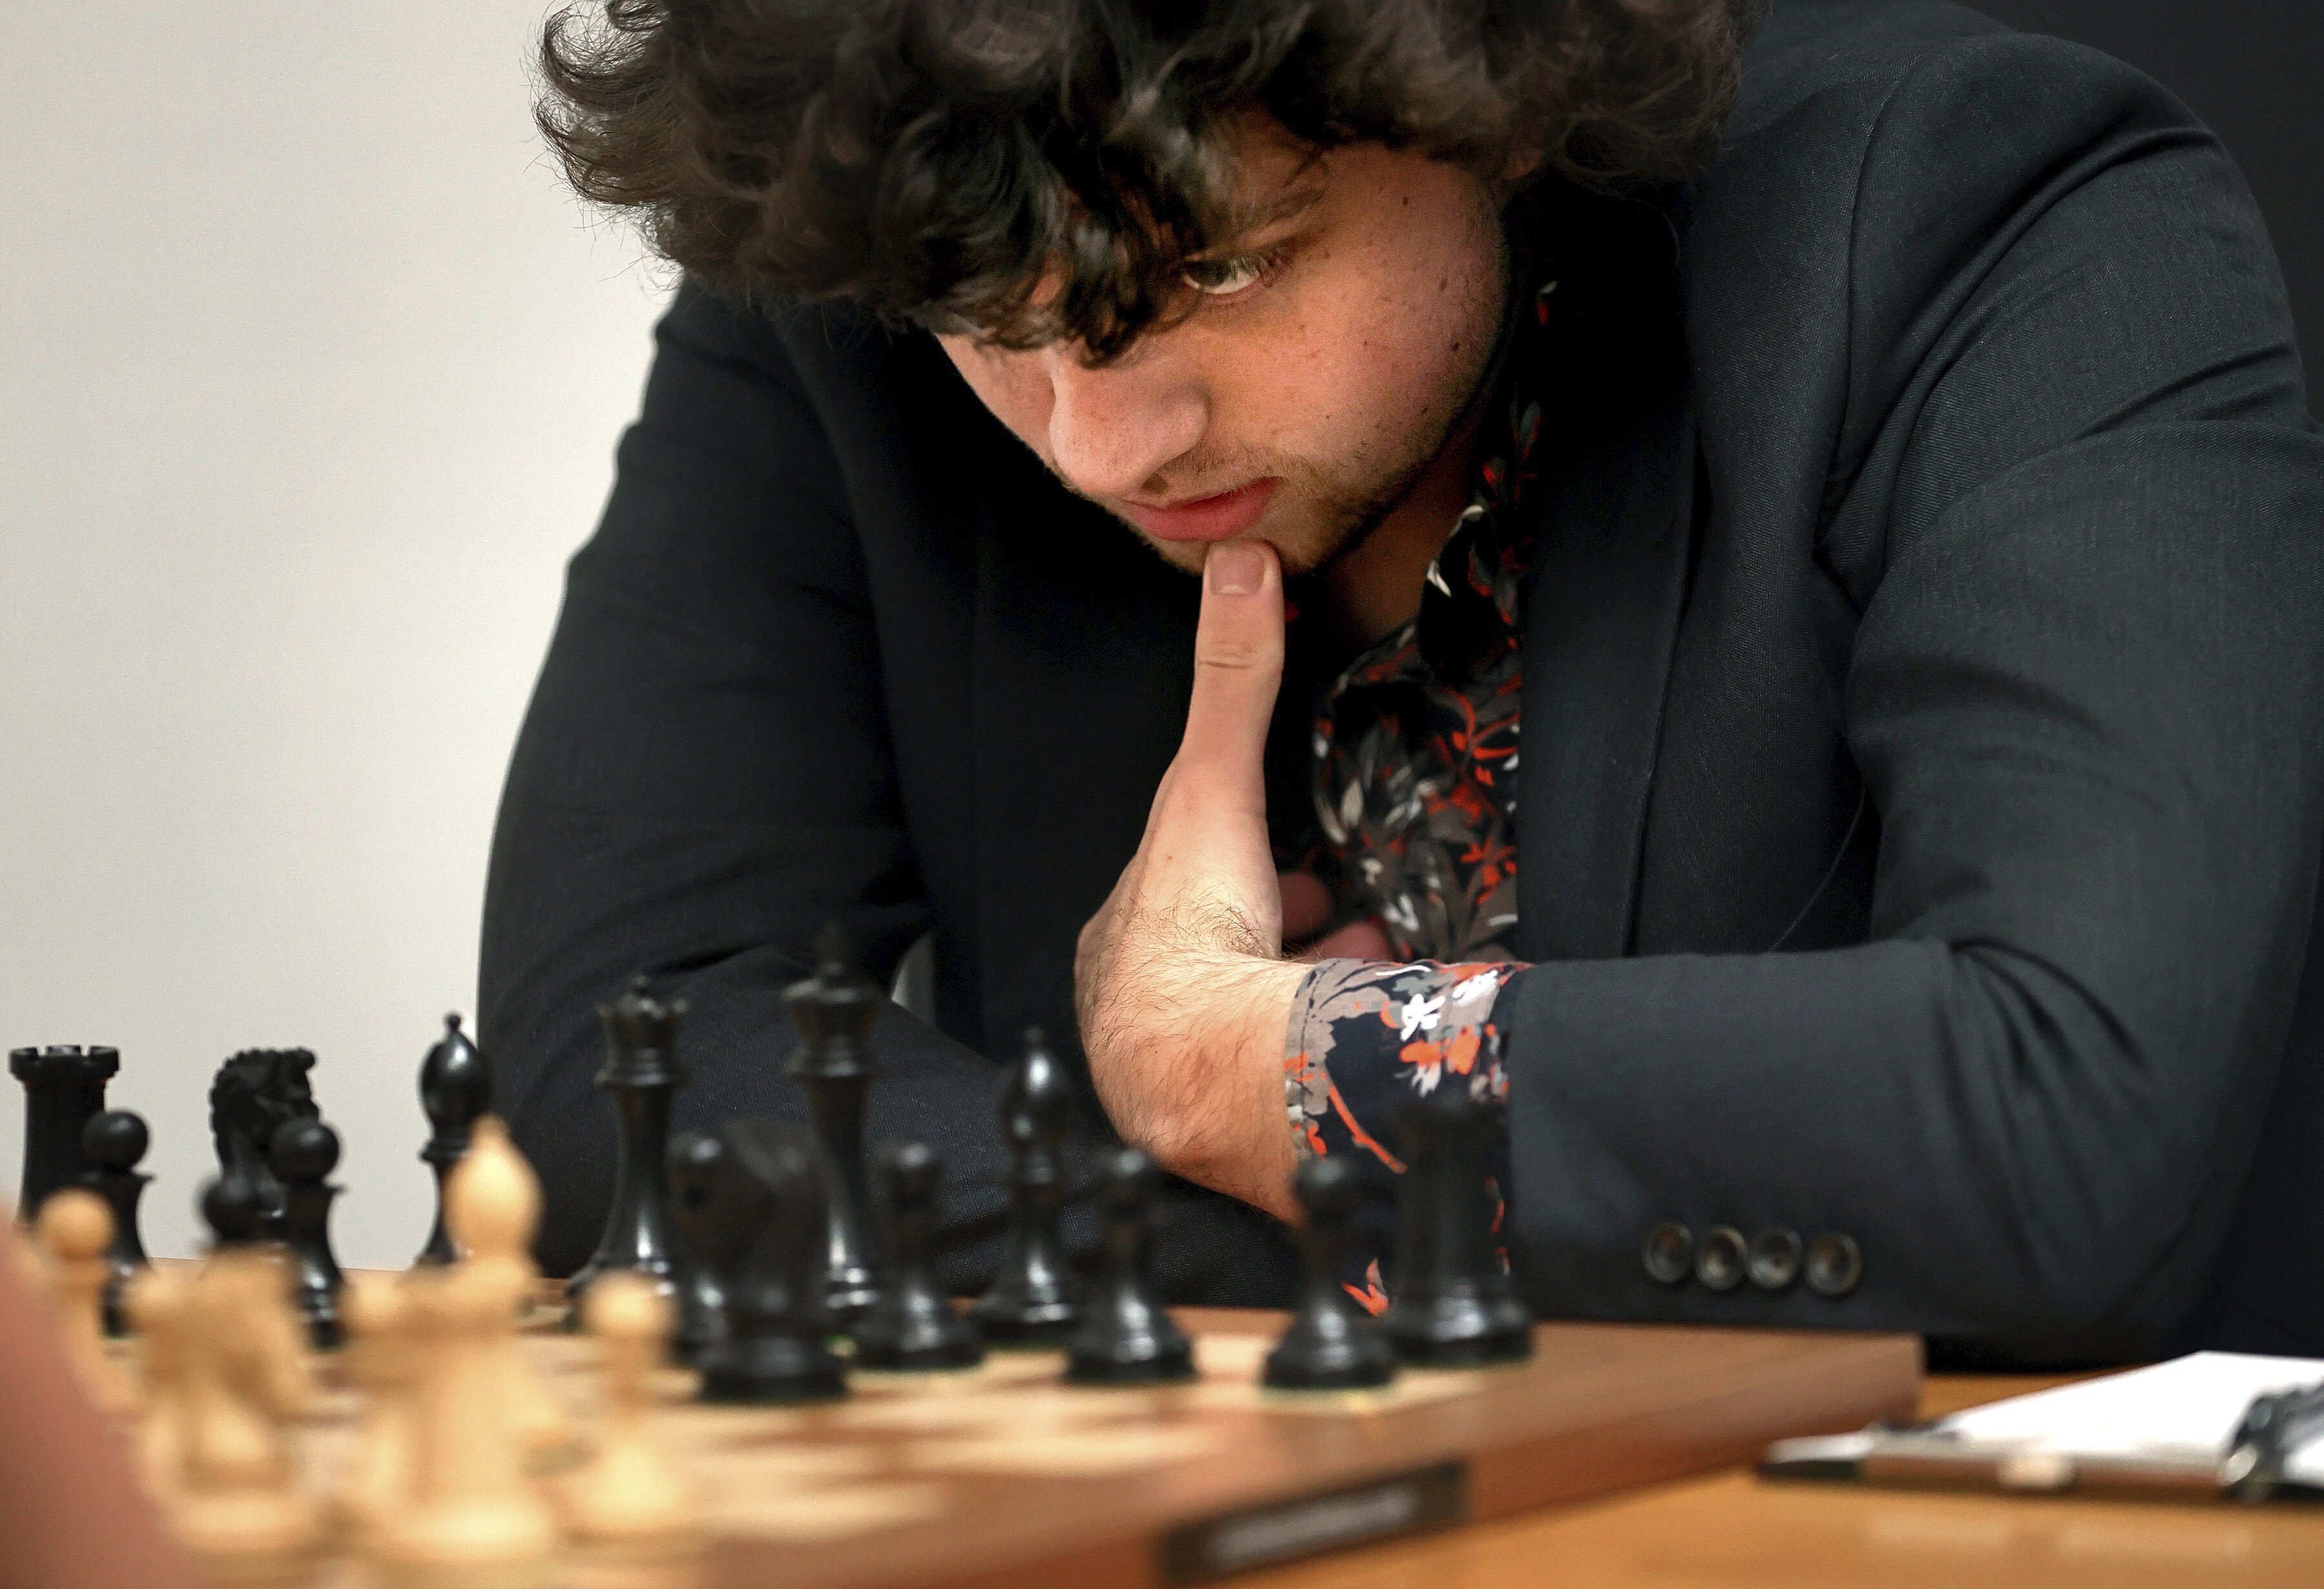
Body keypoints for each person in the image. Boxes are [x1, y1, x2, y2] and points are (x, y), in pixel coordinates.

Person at [484, 0, 2324, 1364]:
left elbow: (2065, 1127)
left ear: (1499, 104)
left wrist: (1232, 1067)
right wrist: (1394, 1250)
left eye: (1218, 267)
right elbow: (617, 1070)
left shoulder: (1989, 219)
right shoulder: (883, 255)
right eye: (997, 330)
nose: (1101, 435)